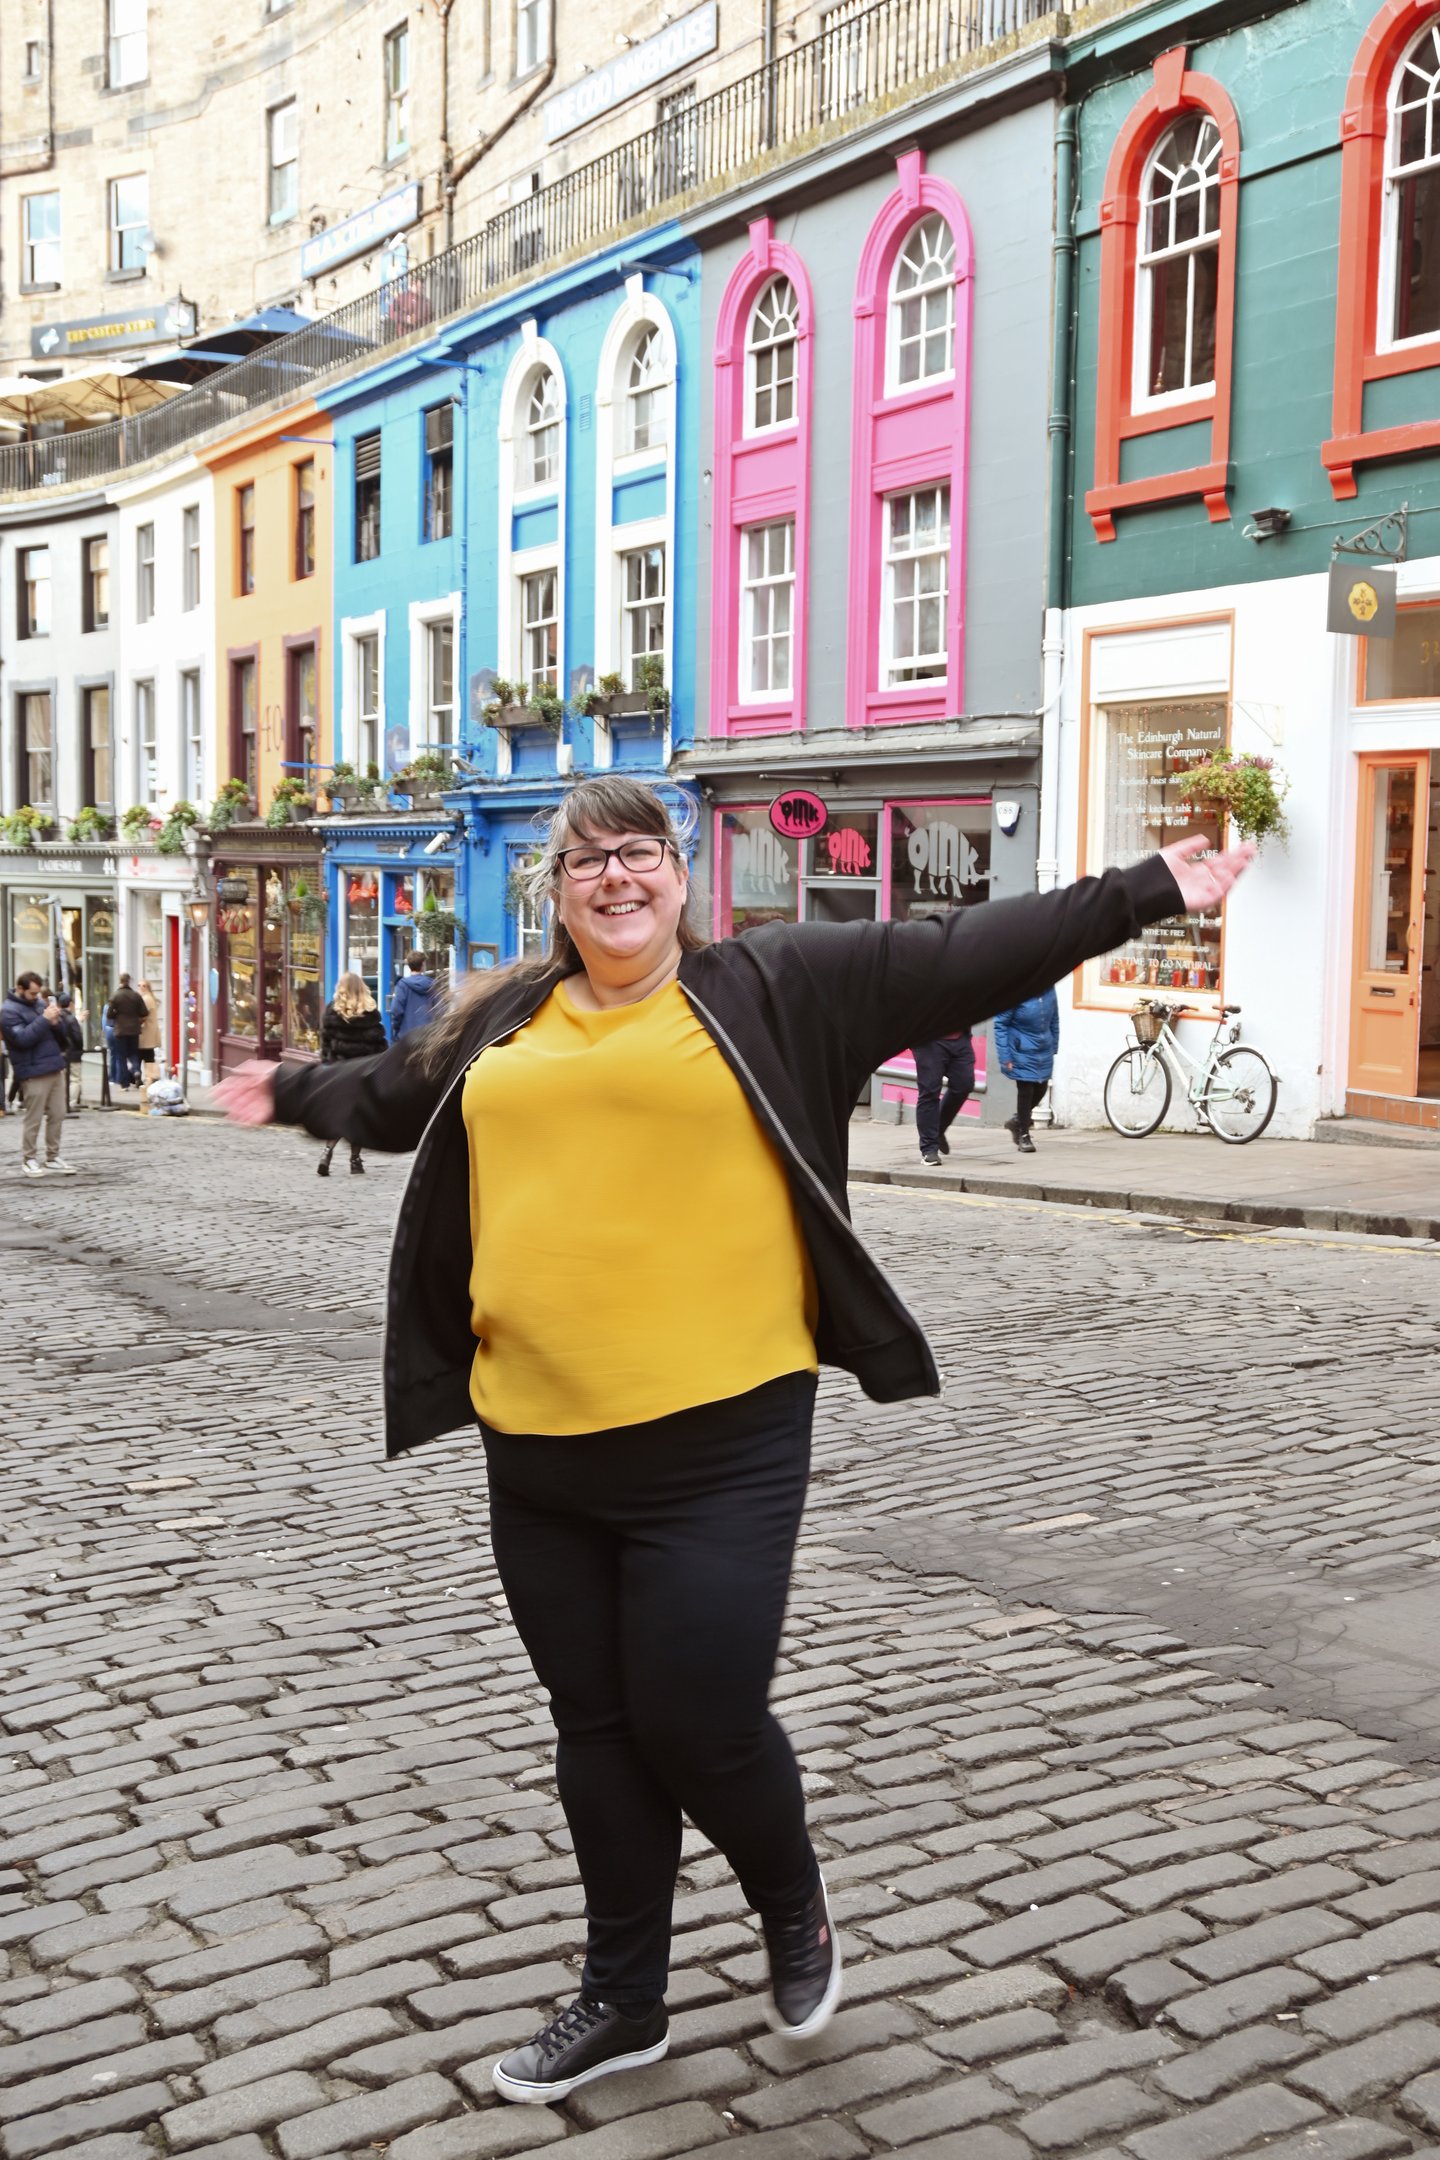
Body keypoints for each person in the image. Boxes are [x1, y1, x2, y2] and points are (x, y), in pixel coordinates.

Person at [216, 776, 1254, 2108]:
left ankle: (792, 1899)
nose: (616, 879)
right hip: (535, 1445)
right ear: (559, 888)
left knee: (698, 1716)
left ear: (680, 873)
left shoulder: (777, 985)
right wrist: (291, 1089)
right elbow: (389, 1093)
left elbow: (964, 954)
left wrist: (1149, 887)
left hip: (722, 1438)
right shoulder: (504, 1019)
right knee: (594, 1729)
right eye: (587, 861)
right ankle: (623, 1999)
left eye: (639, 853)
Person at [0, 971, 77, 1176]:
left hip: (53, 1065)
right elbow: (22, 1039)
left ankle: (53, 1156)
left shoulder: (39, 1005)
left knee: (58, 1114)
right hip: (32, 1070)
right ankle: (29, 1158)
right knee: (33, 1118)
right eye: (33, 993)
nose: (36, 997)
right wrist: (44, 1020)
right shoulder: (8, 1012)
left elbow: (59, 1035)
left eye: (37, 994)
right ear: (20, 989)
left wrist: (56, 1021)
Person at [317, 972, 387, 1176]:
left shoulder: (332, 1012)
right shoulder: (370, 1013)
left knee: (338, 1115)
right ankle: (355, 1161)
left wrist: (328, 1066)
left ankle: (327, 1152)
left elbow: (325, 1045)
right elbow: (380, 1047)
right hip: (362, 1072)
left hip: (338, 1072)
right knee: (357, 1117)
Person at [994, 986, 1061, 1153]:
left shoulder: (1050, 990)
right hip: (1020, 1048)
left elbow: (1054, 1019)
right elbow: (1000, 1024)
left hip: (1043, 1047)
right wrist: (1005, 1056)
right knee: (1026, 1090)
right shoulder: (1016, 991)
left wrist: (1054, 1045)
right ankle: (1024, 1135)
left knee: (1042, 1087)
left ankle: (1017, 1121)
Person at [913, 1028, 975, 1166]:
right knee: (929, 1092)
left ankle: (938, 1130)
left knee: (964, 1085)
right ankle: (929, 1149)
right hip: (928, 1041)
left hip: (960, 1038)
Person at [106, 975, 148, 1091]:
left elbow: (109, 1015)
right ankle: (136, 1071)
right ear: (129, 981)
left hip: (120, 1030)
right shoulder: (136, 996)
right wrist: (136, 1019)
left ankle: (124, 1084)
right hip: (134, 1029)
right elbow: (144, 1012)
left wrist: (117, 1014)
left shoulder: (115, 996)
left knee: (121, 1057)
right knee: (134, 1053)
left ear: (120, 981)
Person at [389, 951, 441, 1041]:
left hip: (407, 1039)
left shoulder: (402, 985)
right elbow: (440, 1011)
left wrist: (396, 1028)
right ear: (423, 965)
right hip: (429, 1038)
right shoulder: (433, 985)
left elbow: (396, 1010)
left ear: (408, 965)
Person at [55, 992, 85, 1113]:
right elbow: (77, 1037)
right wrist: (79, 1049)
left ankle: (62, 1102)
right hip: (73, 1053)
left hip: (61, 1053)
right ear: (71, 1004)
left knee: (63, 1079)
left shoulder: (57, 1018)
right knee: (75, 1079)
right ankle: (71, 1102)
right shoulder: (71, 1019)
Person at [136, 980, 161, 1079]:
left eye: (144, 986)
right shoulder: (148, 998)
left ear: (148, 987)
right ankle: (148, 1077)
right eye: (139, 985)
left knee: (143, 1055)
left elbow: (143, 1015)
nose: (141, 987)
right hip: (149, 1032)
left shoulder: (146, 999)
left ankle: (146, 1077)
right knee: (148, 1055)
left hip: (146, 1032)